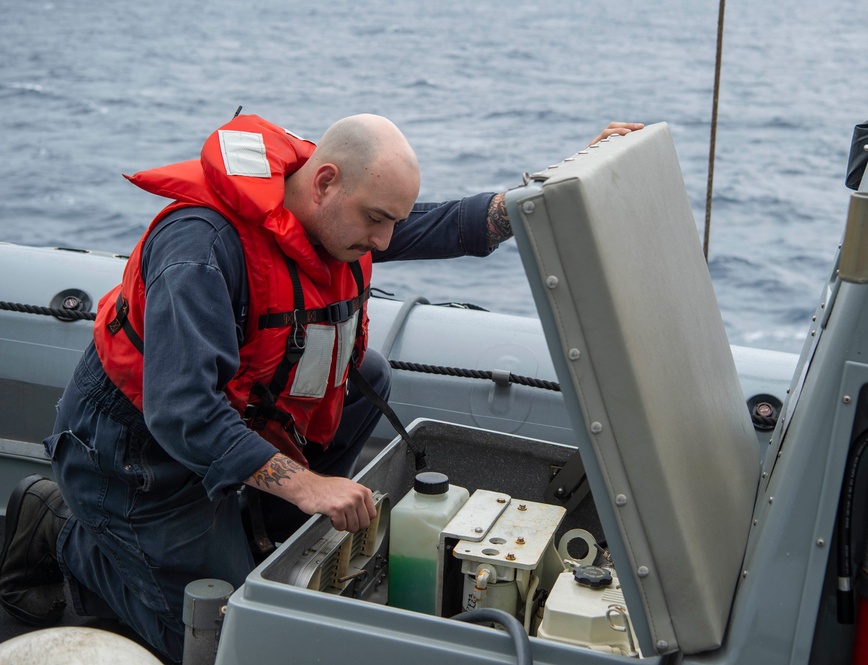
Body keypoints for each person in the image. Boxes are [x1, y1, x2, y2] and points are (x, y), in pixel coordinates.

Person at [0, 113, 643, 661]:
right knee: (229, 638)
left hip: (232, 425)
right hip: (135, 456)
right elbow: (184, 410)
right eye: (377, 220)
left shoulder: (335, 214)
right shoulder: (199, 248)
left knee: (366, 377)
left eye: (392, 222)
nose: (387, 240)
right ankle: (70, 534)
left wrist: (564, 181)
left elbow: (448, 225)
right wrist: (309, 487)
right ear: (327, 182)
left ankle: (250, 529)